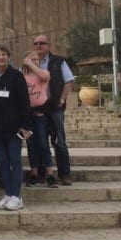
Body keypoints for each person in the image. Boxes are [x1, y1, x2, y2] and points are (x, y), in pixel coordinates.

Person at [0, 44, 32, 211]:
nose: (0, 57)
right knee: (3, 162)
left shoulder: (16, 76)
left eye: (3, 54)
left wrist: (25, 126)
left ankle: (17, 196)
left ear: (9, 56)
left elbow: (24, 102)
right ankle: (8, 193)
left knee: (15, 161)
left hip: (14, 128)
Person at [33, 34, 74, 186]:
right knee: (41, 142)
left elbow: (68, 81)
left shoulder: (58, 61)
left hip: (55, 107)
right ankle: (44, 174)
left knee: (59, 142)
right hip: (39, 109)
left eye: (42, 43)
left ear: (48, 46)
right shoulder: (30, 63)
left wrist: (62, 100)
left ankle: (65, 174)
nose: (38, 46)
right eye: (36, 43)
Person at [22, 51, 58, 188]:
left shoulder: (44, 73)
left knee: (43, 143)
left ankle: (49, 173)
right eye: (32, 59)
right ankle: (34, 173)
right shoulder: (23, 76)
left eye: (37, 59)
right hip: (28, 115)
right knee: (31, 145)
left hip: (41, 114)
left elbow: (44, 76)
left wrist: (31, 63)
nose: (35, 61)